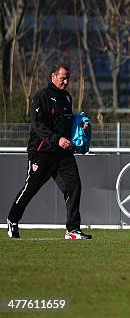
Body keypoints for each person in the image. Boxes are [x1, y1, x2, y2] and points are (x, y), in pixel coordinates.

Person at [7, 63, 91, 240]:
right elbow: (37, 125)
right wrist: (56, 139)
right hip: (42, 151)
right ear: (53, 76)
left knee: (74, 185)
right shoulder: (42, 95)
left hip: (62, 154)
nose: (66, 82)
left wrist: (79, 127)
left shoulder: (67, 97)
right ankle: (12, 219)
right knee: (31, 188)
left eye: (68, 79)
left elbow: (67, 122)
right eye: (62, 78)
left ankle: (73, 229)